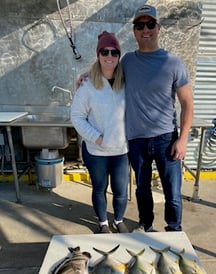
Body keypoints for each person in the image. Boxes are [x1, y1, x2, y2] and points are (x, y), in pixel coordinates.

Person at [78, 5, 194, 233]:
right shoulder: (128, 62)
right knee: (142, 189)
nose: (145, 30)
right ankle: (146, 226)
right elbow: (105, 66)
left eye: (150, 24)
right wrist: (84, 77)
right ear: (134, 31)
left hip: (166, 139)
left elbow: (187, 103)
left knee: (172, 191)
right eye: (140, 25)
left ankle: (174, 230)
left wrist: (182, 139)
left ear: (158, 28)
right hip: (136, 141)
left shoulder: (174, 63)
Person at [71, 31, 129, 234]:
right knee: (99, 188)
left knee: (121, 191)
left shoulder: (127, 81)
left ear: (119, 55)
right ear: (98, 54)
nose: (109, 56)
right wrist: (97, 137)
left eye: (114, 52)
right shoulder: (87, 85)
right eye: (105, 51)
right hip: (97, 150)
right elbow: (77, 117)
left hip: (121, 149)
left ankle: (119, 220)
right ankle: (103, 223)